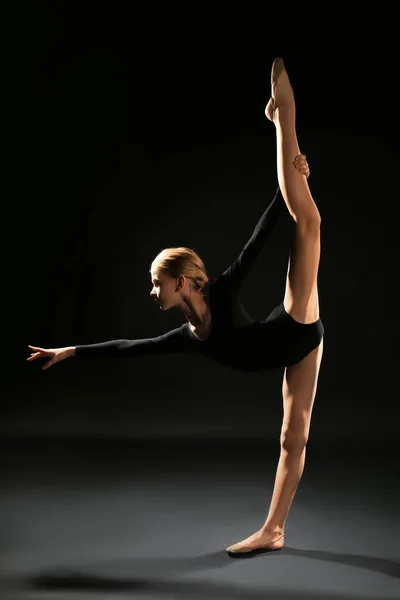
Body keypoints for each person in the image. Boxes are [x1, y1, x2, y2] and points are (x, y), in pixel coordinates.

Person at [27, 58, 323, 555]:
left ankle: (283, 122)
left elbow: (257, 241)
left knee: (307, 222)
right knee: (291, 441)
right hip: (293, 353)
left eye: (155, 284)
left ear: (181, 283)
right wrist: (69, 351)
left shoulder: (222, 291)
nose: (151, 291)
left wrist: (288, 186)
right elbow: (127, 348)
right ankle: (274, 531)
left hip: (297, 324)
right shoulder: (187, 337)